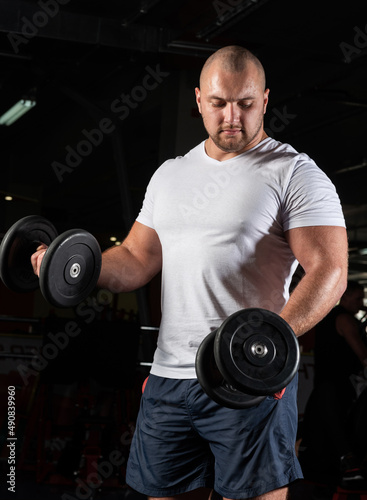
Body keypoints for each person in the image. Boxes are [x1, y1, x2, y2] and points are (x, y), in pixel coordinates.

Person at [32, 46, 348, 500]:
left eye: (245, 103)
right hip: (169, 380)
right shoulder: (170, 175)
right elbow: (137, 259)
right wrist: (74, 265)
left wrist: (269, 347)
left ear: (264, 100)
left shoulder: (294, 173)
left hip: (248, 382)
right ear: (199, 100)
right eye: (219, 103)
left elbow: (331, 272)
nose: (232, 116)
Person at [300, 281, 367, 485]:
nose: (361, 302)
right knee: (340, 436)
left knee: (320, 441)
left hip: (323, 387)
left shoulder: (327, 318)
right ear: (344, 297)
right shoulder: (345, 319)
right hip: (338, 388)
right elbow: (363, 356)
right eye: (357, 298)